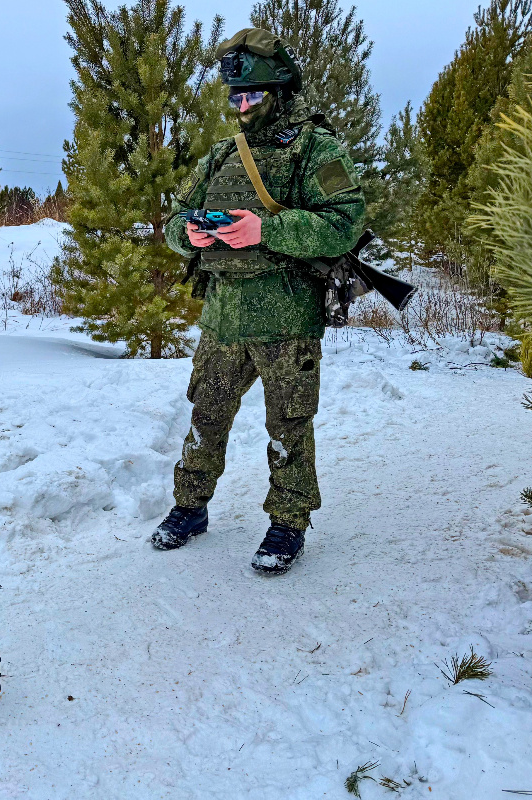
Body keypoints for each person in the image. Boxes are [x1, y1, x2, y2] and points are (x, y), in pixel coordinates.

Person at [151, 28, 366, 574]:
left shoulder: (317, 149)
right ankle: (190, 506)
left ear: (279, 92)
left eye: (252, 95)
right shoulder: (223, 154)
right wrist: (189, 235)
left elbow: (344, 222)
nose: (242, 107)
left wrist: (264, 230)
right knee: (206, 416)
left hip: (286, 318)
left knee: (288, 424)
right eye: (235, 97)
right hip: (223, 317)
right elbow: (175, 219)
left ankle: (288, 522)